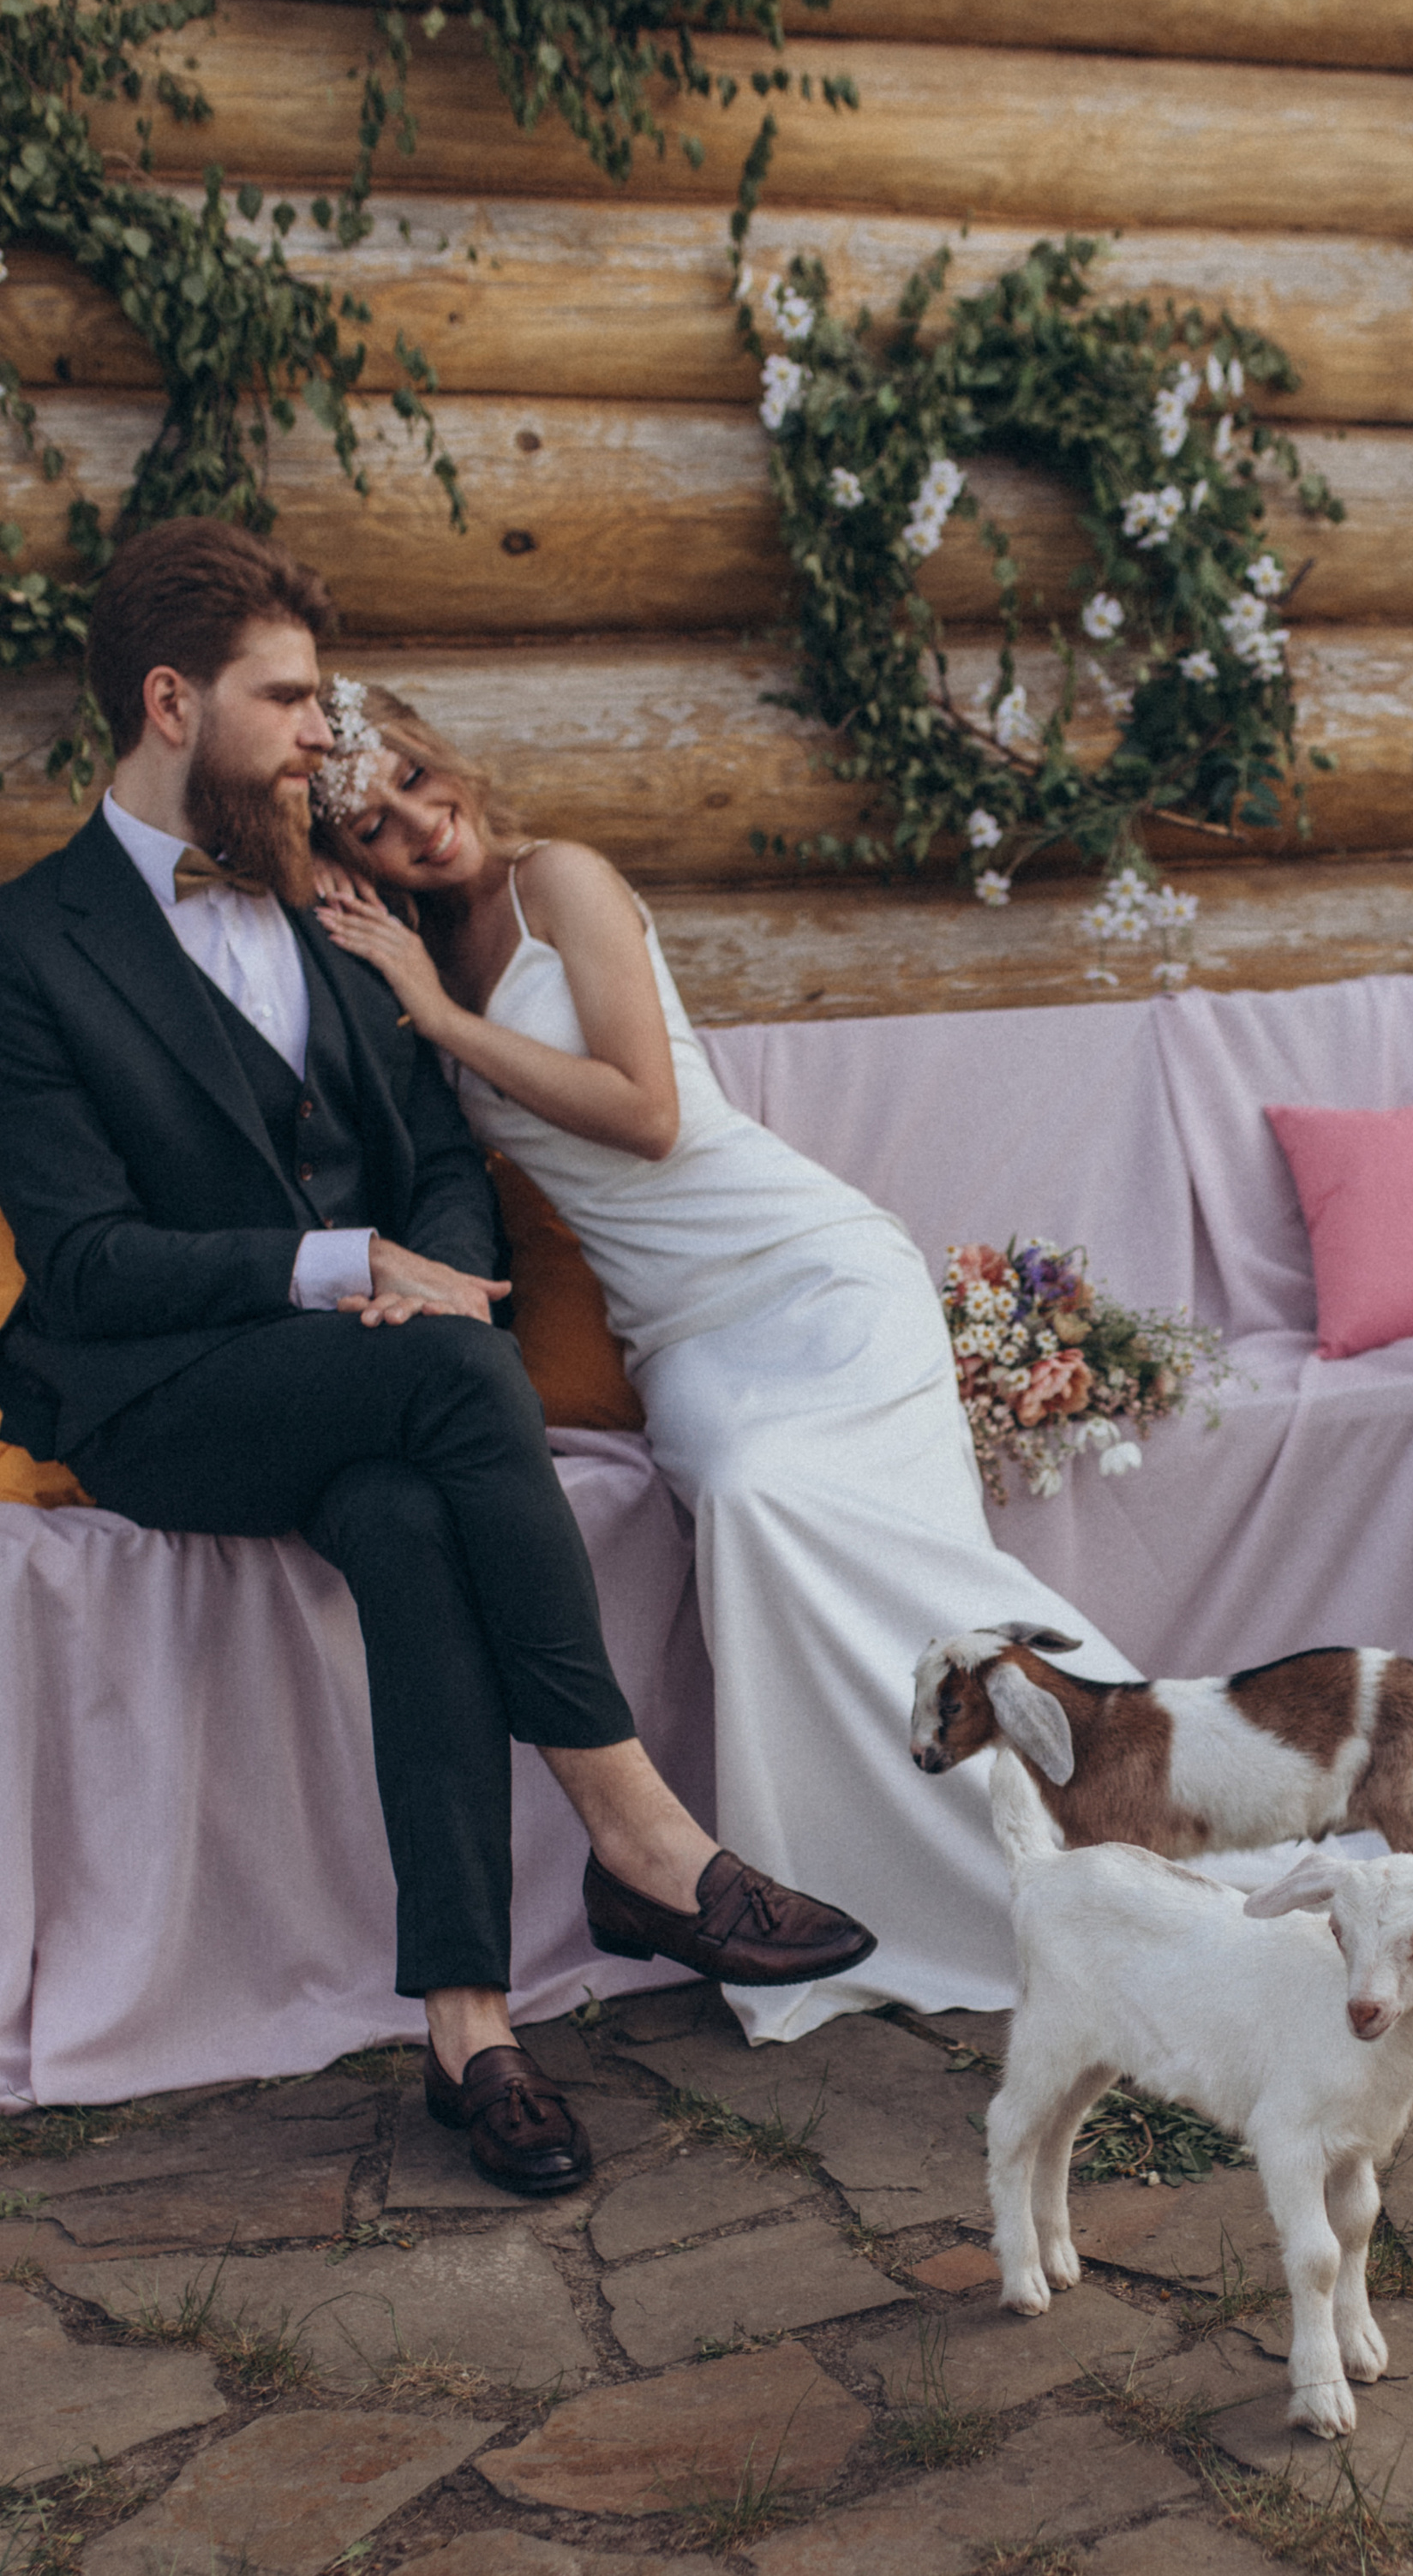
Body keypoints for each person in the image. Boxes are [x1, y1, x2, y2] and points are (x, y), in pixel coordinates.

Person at [0, 521, 876, 2188]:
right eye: (292, 700)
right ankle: (640, 1833)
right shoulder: (31, 947)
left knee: (411, 1507)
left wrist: (450, 1284)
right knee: (448, 1387)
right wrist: (347, 1269)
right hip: (159, 1393)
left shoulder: (335, 910)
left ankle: (469, 2025)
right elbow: (91, 1265)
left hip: (382, 1365)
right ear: (174, 703)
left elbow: (441, 1166)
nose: (325, 736)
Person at [307, 677, 1137, 2040]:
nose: (416, 820)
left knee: (911, 1571)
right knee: (751, 1507)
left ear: (440, 757)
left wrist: (443, 1021)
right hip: (680, 1339)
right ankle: (849, 1899)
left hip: (812, 1277)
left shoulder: (559, 879)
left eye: (411, 777)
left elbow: (648, 1114)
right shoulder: (407, 958)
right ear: (347, 863)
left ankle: (1131, 1812)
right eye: (373, 823)